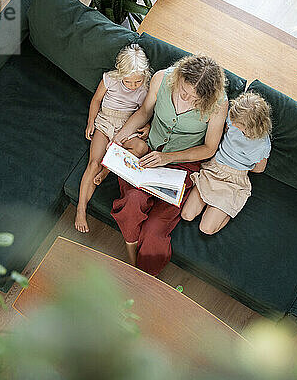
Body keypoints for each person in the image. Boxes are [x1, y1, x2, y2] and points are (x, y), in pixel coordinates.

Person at [111, 55, 229, 274]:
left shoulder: (219, 104)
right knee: (132, 202)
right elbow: (145, 112)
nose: (187, 99)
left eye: (195, 99)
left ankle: (144, 276)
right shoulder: (162, 78)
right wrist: (120, 137)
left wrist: (168, 158)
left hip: (182, 166)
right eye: (184, 92)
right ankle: (132, 262)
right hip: (147, 155)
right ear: (179, 77)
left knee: (155, 229)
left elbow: (209, 149)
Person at [75, 44, 152, 233]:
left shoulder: (146, 88)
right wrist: (91, 121)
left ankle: (107, 169)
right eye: (129, 82)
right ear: (120, 73)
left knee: (141, 148)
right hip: (105, 122)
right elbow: (96, 100)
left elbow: (147, 112)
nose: (134, 85)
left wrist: (148, 126)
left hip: (128, 125)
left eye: (138, 81)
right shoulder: (110, 79)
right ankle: (80, 209)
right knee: (93, 163)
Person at [181, 92, 272, 234]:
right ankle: (214, 204)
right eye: (233, 120)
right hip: (214, 168)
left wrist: (239, 164)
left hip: (234, 181)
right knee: (186, 215)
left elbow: (259, 168)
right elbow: (225, 131)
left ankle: (228, 209)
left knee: (206, 228)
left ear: (252, 128)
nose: (233, 124)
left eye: (239, 126)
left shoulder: (262, 145)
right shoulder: (233, 117)